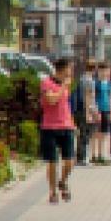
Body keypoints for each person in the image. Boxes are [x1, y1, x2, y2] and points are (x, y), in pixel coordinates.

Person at [39, 57, 77, 203]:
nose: (71, 71)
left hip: (66, 126)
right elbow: (52, 100)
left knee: (70, 161)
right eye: (70, 68)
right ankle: (53, 191)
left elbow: (65, 105)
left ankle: (63, 181)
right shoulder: (46, 83)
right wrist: (62, 88)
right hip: (50, 127)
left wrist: (73, 123)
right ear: (62, 69)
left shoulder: (67, 85)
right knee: (52, 162)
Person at [89, 62, 111, 164]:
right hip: (97, 111)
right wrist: (95, 110)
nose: (104, 73)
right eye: (102, 71)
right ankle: (93, 155)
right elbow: (92, 98)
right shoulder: (95, 83)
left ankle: (101, 154)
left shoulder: (108, 83)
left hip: (106, 110)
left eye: (106, 71)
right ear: (98, 72)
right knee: (96, 133)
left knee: (104, 133)